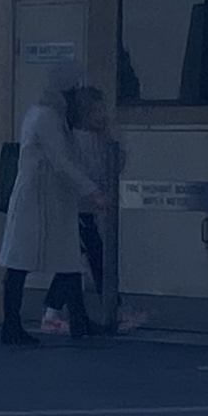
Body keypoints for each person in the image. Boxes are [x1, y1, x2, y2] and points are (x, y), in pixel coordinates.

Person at [0, 71, 108, 345]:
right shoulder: (47, 118)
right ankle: (11, 324)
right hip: (37, 201)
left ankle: (77, 320)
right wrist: (92, 191)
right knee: (22, 263)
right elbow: (62, 162)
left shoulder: (51, 117)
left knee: (65, 259)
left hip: (49, 201)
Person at [64, 86, 142, 334]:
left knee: (87, 258)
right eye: (96, 110)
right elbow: (84, 172)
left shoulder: (100, 139)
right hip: (77, 209)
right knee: (90, 257)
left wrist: (108, 136)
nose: (102, 115)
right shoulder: (74, 139)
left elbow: (114, 165)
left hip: (87, 209)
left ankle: (110, 306)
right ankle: (112, 307)